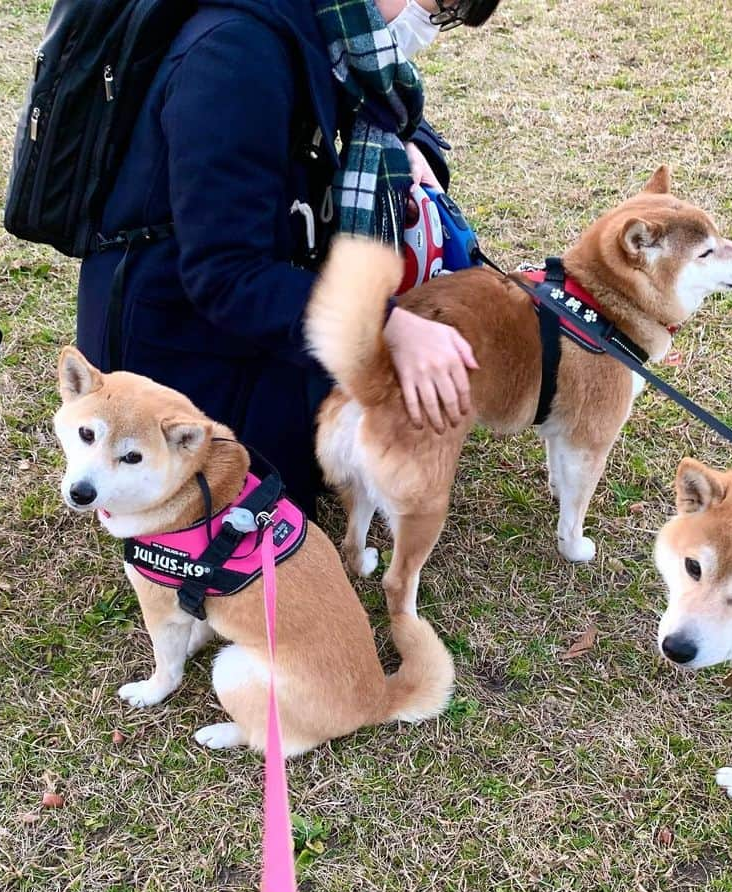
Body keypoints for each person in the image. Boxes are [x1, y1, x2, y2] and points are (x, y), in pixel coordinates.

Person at [76, 0, 500, 512]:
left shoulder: (329, 30)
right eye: (439, 8)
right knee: (281, 514)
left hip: (267, 291)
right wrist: (387, 326)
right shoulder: (236, 56)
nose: (430, 28)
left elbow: (381, 103)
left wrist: (415, 151)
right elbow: (225, 276)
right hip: (181, 336)